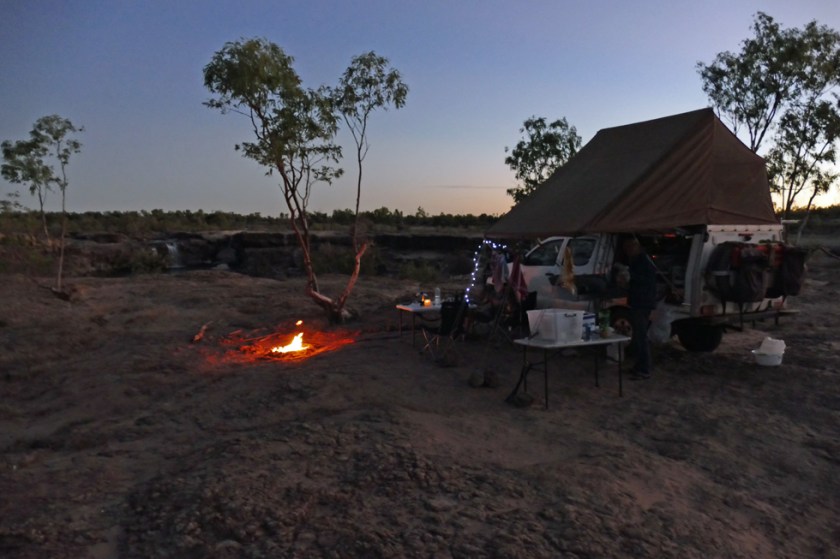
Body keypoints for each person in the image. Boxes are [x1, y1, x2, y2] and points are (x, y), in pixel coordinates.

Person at [623, 237, 658, 379]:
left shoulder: (643, 261)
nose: (627, 252)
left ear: (635, 247)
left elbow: (647, 280)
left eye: (629, 248)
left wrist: (630, 276)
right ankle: (639, 365)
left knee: (641, 335)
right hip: (639, 301)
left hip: (642, 302)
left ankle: (644, 369)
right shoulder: (637, 260)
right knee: (638, 335)